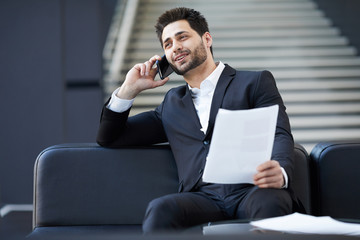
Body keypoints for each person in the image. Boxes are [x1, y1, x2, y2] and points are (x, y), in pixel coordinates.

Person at [97, 7, 301, 233]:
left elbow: (279, 133)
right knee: (160, 209)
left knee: (271, 202)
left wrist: (280, 173)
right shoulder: (171, 105)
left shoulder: (255, 82)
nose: (175, 47)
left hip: (253, 188)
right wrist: (128, 90)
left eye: (182, 37)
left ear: (207, 38)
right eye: (168, 44)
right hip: (202, 197)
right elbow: (110, 138)